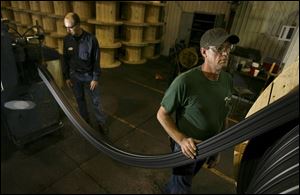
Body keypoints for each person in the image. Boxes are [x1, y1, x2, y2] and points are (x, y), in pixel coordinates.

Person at [157, 28, 239, 194]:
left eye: (228, 49)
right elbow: (161, 115)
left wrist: (217, 149)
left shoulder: (227, 80)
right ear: (204, 52)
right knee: (182, 187)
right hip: (186, 148)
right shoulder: (185, 82)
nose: (225, 54)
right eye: (219, 49)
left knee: (182, 181)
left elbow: (223, 116)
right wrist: (181, 140)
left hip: (208, 146)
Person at [62, 12, 108, 134]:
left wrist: (95, 78)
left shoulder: (91, 40)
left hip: (89, 76)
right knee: (80, 100)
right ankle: (85, 123)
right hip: (75, 76)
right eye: (65, 27)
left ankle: (101, 123)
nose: (67, 30)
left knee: (96, 101)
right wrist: (66, 76)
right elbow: (65, 58)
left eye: (70, 27)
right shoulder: (67, 40)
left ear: (78, 25)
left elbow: (96, 60)